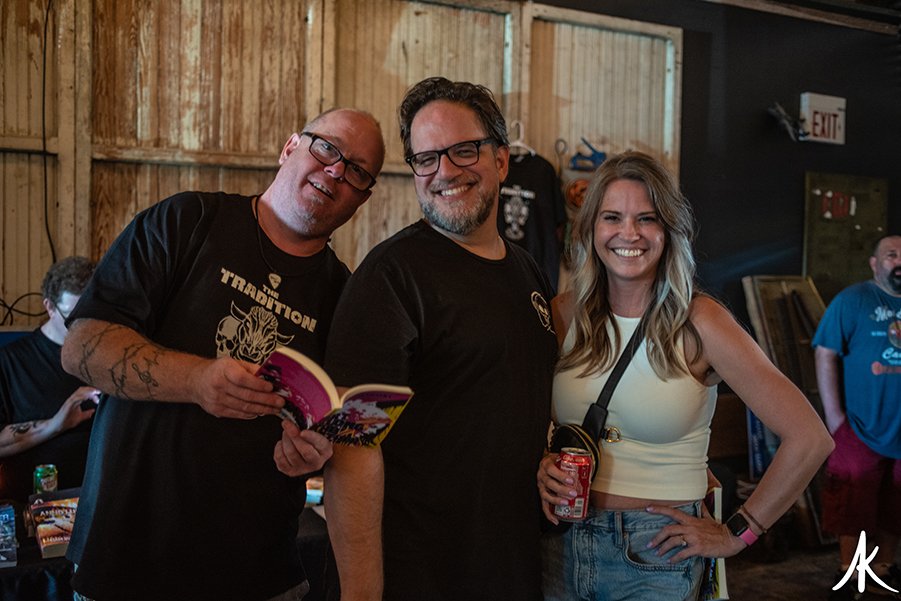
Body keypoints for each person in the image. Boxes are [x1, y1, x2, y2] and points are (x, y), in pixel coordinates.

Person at [59, 108, 386, 601]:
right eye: (327, 148)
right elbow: (81, 346)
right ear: (290, 147)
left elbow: (334, 434)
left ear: (363, 196)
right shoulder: (187, 220)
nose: (337, 170)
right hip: (126, 559)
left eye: (357, 171)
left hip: (260, 577)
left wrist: (311, 452)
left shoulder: (345, 296)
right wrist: (196, 381)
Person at [537, 151, 834, 601]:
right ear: (590, 229)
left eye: (647, 219)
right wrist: (543, 463)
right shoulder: (563, 312)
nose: (629, 233)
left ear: (669, 230)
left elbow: (810, 438)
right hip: (560, 544)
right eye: (612, 217)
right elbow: (531, 415)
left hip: (657, 553)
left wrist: (738, 533)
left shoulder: (701, 322)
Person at [322, 77, 558, 601]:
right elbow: (351, 447)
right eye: (425, 158)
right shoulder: (391, 278)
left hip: (511, 567)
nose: (445, 171)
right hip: (419, 574)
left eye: (463, 151)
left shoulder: (528, 272)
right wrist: (360, 593)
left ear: (501, 160)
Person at [812, 234, 901, 600]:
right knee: (851, 501)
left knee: (897, 503)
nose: (899, 261)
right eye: (892, 255)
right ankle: (849, 572)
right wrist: (834, 417)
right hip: (859, 427)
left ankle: (883, 569)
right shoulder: (852, 300)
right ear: (875, 264)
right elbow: (825, 353)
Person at [0, 256, 99, 504]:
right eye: (72, 317)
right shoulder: (11, 361)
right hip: (40, 504)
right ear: (49, 307)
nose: (83, 326)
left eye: (91, 315)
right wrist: (56, 424)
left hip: (102, 498)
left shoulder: (106, 357)